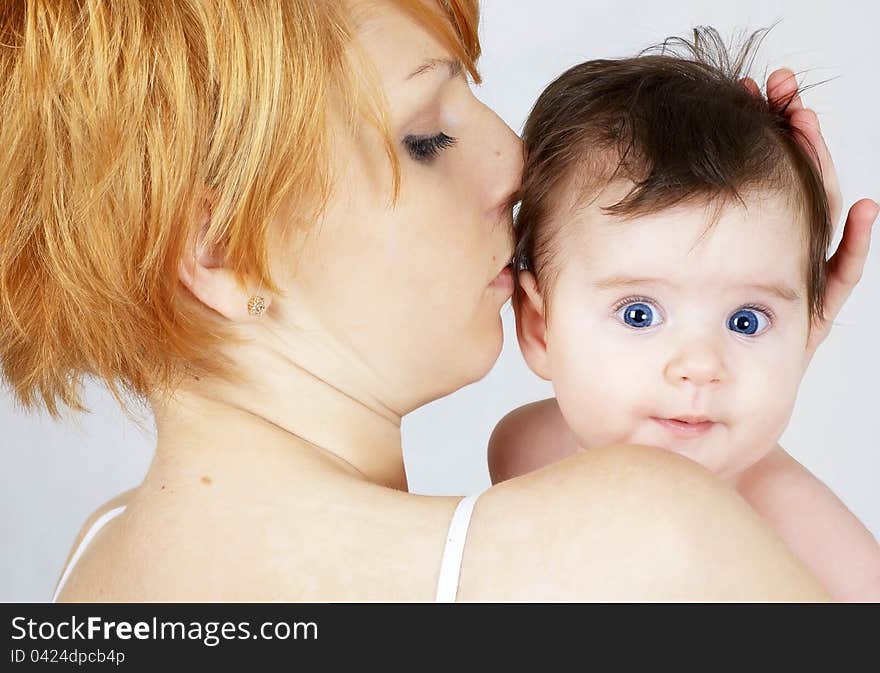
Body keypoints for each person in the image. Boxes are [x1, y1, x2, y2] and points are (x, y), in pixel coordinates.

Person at [1, 1, 874, 602]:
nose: (512, 158)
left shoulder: (101, 559)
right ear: (226, 246)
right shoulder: (640, 537)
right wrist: (755, 360)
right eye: (427, 138)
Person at [486, 29, 880, 601]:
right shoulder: (525, 451)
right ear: (539, 328)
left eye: (747, 320)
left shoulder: (799, 534)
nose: (700, 366)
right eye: (639, 314)